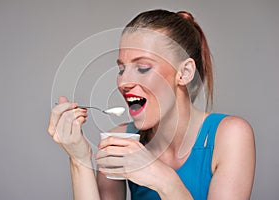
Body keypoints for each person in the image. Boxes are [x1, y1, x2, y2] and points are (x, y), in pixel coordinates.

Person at [48, 9, 255, 200]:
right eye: (121, 69)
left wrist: (164, 179)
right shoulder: (120, 142)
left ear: (184, 73)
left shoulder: (230, 135)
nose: (123, 82)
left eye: (143, 68)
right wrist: (79, 158)